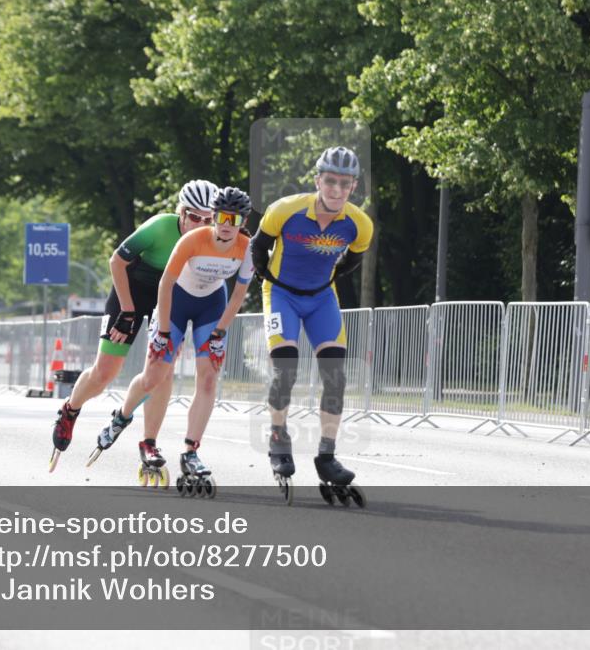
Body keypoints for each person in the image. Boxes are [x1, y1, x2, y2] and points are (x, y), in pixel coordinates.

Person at [89, 187, 255, 493]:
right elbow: (165, 285)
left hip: (211, 306)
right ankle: (122, 417)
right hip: (175, 303)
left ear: (243, 220)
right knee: (154, 376)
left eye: (234, 218)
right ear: (213, 217)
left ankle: (191, 452)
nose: (226, 224)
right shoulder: (192, 239)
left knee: (208, 379)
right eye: (220, 216)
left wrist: (220, 330)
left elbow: (239, 294)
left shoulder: (247, 248)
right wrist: (163, 331)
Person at [47, 180, 218, 471]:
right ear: (181, 213)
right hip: (132, 290)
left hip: (168, 297)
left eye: (207, 219)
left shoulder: (212, 239)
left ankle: (148, 442)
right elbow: (117, 261)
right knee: (105, 373)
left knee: (163, 371)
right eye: (193, 217)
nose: (200, 224)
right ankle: (70, 409)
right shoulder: (159, 227)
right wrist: (127, 311)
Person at [249, 146, 373, 502]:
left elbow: (352, 261)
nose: (336, 189)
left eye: (344, 184)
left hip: (322, 297)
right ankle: (278, 436)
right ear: (318, 180)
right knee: (285, 369)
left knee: (335, 375)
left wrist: (327, 277)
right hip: (282, 294)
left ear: (353, 187)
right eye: (330, 181)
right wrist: (265, 279)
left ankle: (327, 456)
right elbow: (259, 249)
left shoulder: (358, 223)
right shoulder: (285, 211)